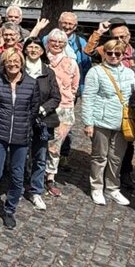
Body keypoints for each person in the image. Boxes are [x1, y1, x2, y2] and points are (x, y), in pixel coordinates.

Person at [0, 48, 40, 228]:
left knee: (17, 176)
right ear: (3, 64)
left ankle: (10, 209)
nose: (12, 65)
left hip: (21, 136)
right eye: (8, 62)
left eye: (16, 61)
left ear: (21, 62)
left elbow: (33, 109)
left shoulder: (31, 83)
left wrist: (25, 126)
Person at [82, 40, 135, 207]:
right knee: (99, 156)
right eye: (110, 53)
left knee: (116, 157)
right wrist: (88, 122)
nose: (113, 56)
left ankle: (113, 187)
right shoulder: (96, 71)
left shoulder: (129, 73)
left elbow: (134, 97)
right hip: (101, 120)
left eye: (117, 53)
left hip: (122, 122)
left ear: (123, 55)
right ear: (104, 54)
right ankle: (97, 187)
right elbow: (88, 97)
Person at [20, 38, 61, 211]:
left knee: (40, 155)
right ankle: (20, 185)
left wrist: (42, 109)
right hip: (21, 118)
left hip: (42, 120)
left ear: (42, 51)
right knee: (20, 154)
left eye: (37, 47)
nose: (33, 50)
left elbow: (56, 97)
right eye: (30, 47)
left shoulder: (48, 72)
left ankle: (36, 190)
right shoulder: (19, 68)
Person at [43, 29, 80, 197]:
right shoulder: (41, 60)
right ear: (48, 42)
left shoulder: (71, 63)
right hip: (44, 107)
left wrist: (67, 100)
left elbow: (74, 86)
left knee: (55, 146)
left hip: (64, 109)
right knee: (38, 143)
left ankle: (50, 176)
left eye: (61, 42)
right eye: (53, 41)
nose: (57, 44)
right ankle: (34, 173)